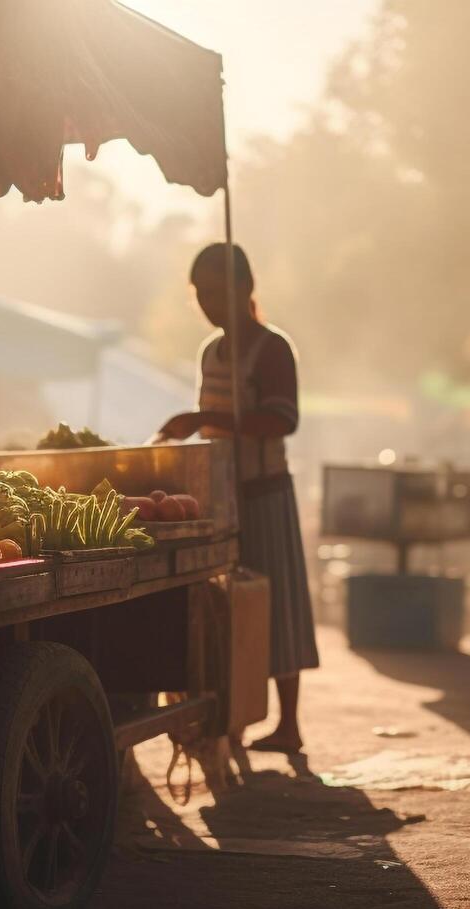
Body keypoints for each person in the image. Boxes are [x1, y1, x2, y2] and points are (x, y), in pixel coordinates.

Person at [156, 243, 319, 760]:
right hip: (224, 497)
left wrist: (205, 422)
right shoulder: (210, 351)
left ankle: (289, 723)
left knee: (279, 603)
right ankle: (239, 716)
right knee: (231, 612)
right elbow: (211, 421)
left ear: (245, 290)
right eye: (199, 295)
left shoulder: (272, 349)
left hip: (266, 493)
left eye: (215, 292)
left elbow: (282, 419)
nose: (207, 304)